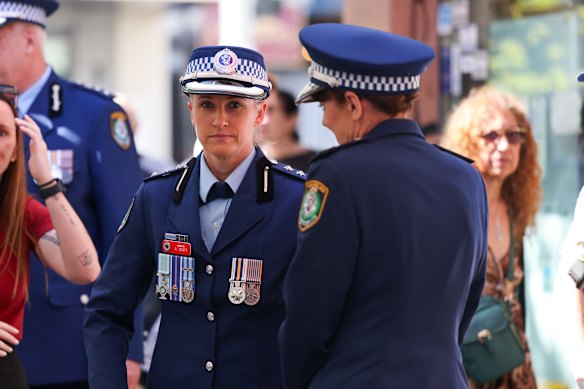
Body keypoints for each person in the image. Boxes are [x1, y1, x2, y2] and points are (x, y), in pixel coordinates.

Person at [279, 23, 489, 389]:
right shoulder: (466, 177)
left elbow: (309, 315)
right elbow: (466, 304)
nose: (325, 120)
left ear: (353, 104)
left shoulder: (338, 174)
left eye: (325, 104)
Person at [84, 45, 305, 388]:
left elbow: (321, 317)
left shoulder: (295, 200)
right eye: (206, 105)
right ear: (190, 110)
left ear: (260, 113)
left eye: (235, 106)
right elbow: (107, 310)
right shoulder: (155, 197)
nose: (220, 120)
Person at [0, 1, 144, 387]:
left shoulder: (93, 114)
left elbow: (127, 236)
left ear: (29, 39)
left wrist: (129, 348)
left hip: (66, 344)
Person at [441, 86, 541, 388]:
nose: (504, 146)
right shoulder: (453, 205)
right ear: (468, 141)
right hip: (464, 356)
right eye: (490, 136)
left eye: (514, 135)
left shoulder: (516, 206)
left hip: (512, 354)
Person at [0, 85, 100, 388]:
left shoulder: (24, 213)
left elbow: (85, 269)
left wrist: (47, 182)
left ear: (16, 150)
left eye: (2, 133)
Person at [258, 79, 316, 171]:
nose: (262, 120)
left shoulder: (315, 164)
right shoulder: (250, 162)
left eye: (271, 110)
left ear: (292, 118)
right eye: (260, 110)